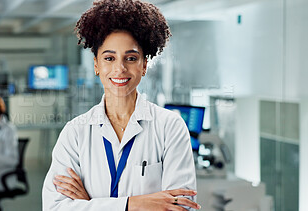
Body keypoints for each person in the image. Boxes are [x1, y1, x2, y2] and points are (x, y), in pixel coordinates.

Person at [42, 0, 200, 210]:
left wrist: (88, 205)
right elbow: (55, 207)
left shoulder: (170, 127)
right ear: (96, 65)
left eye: (131, 58)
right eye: (109, 58)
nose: (120, 69)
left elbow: (182, 207)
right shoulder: (75, 133)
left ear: (144, 65)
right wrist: (133, 204)